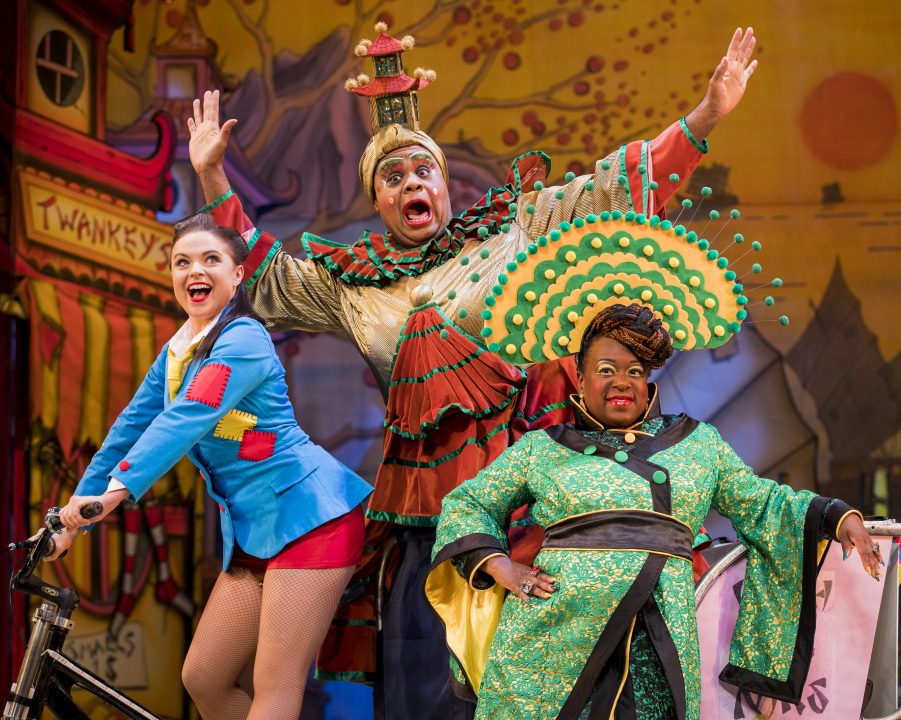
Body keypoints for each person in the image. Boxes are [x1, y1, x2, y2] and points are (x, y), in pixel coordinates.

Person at [187, 24, 760, 718]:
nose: (410, 185)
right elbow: (268, 278)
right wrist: (213, 176)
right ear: (378, 199)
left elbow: (612, 190)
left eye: (421, 171)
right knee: (423, 689)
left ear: (443, 180)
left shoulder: (511, 229)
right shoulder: (357, 284)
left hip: (529, 505)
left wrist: (703, 119)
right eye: (392, 178)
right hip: (423, 519)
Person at [425, 304, 880, 720]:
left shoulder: (698, 444)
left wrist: (835, 515)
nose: (621, 381)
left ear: (648, 384)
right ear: (580, 380)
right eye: (606, 370)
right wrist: (500, 566)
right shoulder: (543, 449)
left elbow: (762, 502)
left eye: (634, 371)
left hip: (659, 633)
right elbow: (468, 503)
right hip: (552, 636)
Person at [47, 213, 373, 720]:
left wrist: (112, 496)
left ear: (238, 275)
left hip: (313, 517)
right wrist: (71, 515)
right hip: (254, 532)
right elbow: (130, 428)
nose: (194, 270)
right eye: (182, 262)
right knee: (205, 677)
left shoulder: (244, 340)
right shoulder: (180, 350)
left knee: (274, 683)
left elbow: (185, 418)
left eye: (210, 259)